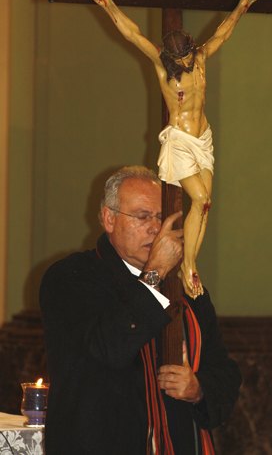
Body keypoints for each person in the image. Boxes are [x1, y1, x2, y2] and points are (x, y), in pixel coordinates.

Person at [40, 165, 241, 455]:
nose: (156, 229)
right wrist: (155, 272)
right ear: (109, 219)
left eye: (162, 218)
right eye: (143, 216)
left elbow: (225, 371)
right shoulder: (70, 277)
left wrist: (199, 389)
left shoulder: (186, 287)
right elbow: (108, 347)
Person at [90, 0, 257, 299]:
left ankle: (192, 262)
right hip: (180, 140)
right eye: (179, 60)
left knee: (206, 205)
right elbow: (133, 34)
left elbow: (222, 33)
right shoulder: (161, 66)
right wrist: (107, 4)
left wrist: (241, 8)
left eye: (187, 58)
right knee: (201, 199)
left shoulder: (200, 58)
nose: (185, 64)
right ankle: (189, 265)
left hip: (203, 138)